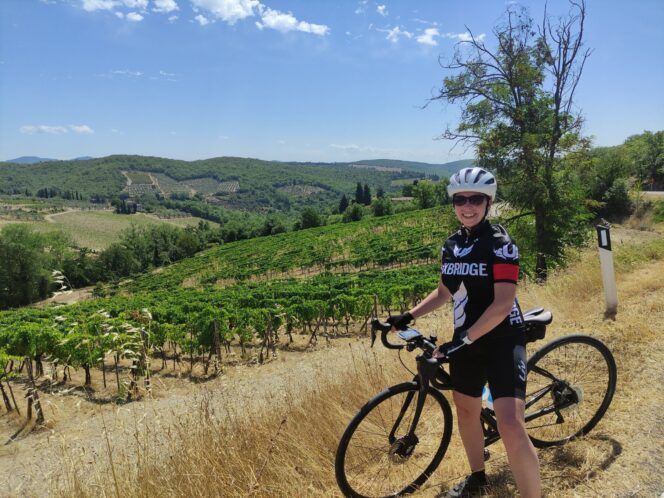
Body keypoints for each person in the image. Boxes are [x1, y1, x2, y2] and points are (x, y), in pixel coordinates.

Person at [387, 167, 541, 498]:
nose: (467, 206)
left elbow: (502, 305)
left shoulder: (501, 244)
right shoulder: (452, 245)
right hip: (465, 341)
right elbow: (444, 292)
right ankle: (478, 478)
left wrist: (465, 340)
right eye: (460, 199)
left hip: (502, 338)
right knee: (467, 411)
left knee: (511, 426)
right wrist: (407, 315)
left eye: (475, 199)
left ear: (489, 202)